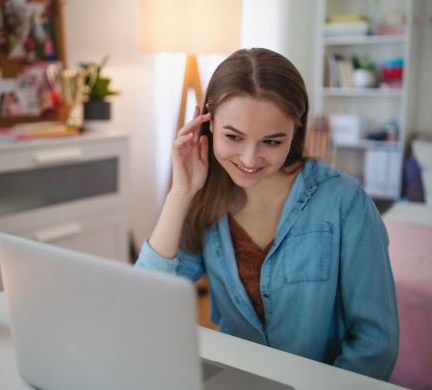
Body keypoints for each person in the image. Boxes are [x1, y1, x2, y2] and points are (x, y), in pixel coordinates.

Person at [134, 48, 399, 381]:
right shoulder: (205, 200)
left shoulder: (344, 201)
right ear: (208, 123)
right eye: (233, 136)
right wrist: (180, 193)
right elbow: (142, 301)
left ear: (295, 128)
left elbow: (376, 342)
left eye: (272, 141)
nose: (250, 158)